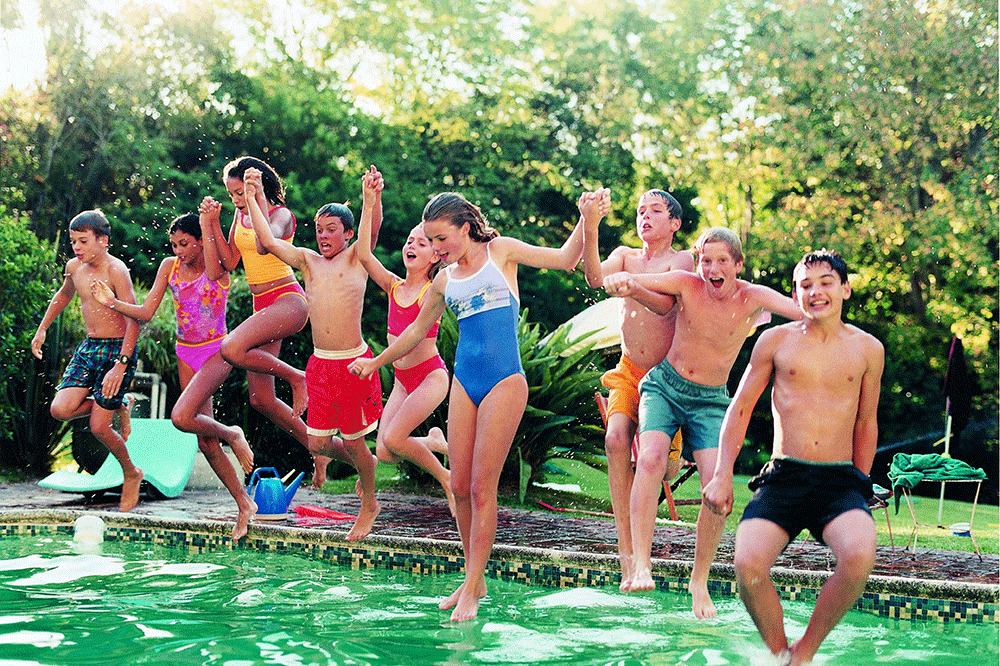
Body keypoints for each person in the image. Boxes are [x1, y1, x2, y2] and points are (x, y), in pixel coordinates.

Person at [349, 188, 603, 622]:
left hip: (505, 381)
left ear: (466, 228)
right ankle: (474, 576)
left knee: (483, 489)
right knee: (461, 488)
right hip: (465, 382)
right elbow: (414, 332)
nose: (436, 248)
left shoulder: (501, 253)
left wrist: (588, 220)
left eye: (442, 238)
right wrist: (376, 362)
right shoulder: (445, 280)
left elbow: (565, 258)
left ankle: (470, 589)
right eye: (430, 240)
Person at [602, 226, 803, 618]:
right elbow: (639, 280)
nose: (711, 268)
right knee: (650, 459)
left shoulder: (751, 297)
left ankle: (699, 580)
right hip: (664, 387)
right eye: (705, 260)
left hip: (710, 403)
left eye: (721, 262)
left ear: (738, 265)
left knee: (717, 493)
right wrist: (622, 279)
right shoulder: (686, 284)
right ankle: (641, 562)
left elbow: (800, 311)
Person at [703, 250, 883, 666]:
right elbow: (741, 407)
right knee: (747, 565)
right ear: (795, 292)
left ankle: (804, 654)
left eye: (825, 282)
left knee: (859, 556)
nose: (815, 292)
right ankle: (778, 652)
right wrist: (721, 474)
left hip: (839, 482)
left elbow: (866, 423)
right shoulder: (775, 341)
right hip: (784, 477)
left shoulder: (868, 349)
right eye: (805, 285)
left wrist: (863, 482)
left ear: (845, 289)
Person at [90, 210, 258, 539]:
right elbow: (147, 312)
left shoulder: (217, 268)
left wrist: (212, 221)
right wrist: (112, 303)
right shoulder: (169, 267)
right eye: (174, 244)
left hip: (216, 351)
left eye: (184, 244)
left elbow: (215, 262)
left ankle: (234, 434)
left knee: (181, 417)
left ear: (200, 242)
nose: (178, 250)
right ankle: (244, 504)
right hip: (185, 351)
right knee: (205, 442)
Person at [242, 164, 384, 542]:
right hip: (321, 364)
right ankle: (366, 468)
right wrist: (256, 198)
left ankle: (369, 502)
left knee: (353, 439)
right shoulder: (307, 261)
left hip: (353, 362)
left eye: (331, 230)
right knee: (317, 443)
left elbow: (371, 230)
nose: (323, 236)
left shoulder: (358, 258)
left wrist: (372, 197)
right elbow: (270, 243)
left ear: (348, 234)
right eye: (319, 230)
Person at [200, 156, 345, 488]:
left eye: (240, 192)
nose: (236, 200)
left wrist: (254, 200)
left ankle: (298, 378)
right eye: (232, 194)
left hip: (287, 300)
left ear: (258, 186)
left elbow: (266, 246)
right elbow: (222, 266)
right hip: (261, 305)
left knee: (231, 347)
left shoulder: (281, 216)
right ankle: (321, 448)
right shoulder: (239, 216)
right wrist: (210, 224)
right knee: (261, 400)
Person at [581, 188, 693, 589]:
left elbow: (666, 304)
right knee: (614, 440)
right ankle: (627, 554)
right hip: (630, 370)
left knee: (660, 465)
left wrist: (632, 286)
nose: (644, 217)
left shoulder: (683, 261)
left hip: (667, 376)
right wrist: (590, 224)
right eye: (640, 211)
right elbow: (595, 276)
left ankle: (669, 457)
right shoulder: (625, 256)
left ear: (674, 223)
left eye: (656, 211)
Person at [355, 170, 454, 515]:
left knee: (395, 440)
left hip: (430, 377)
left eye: (422, 242)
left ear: (436, 256)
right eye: (410, 240)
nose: (412, 245)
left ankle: (445, 478)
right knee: (383, 452)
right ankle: (433, 443)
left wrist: (375, 362)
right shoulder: (394, 286)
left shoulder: (435, 288)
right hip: (402, 380)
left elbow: (412, 340)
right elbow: (364, 253)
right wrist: (370, 201)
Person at [30, 210, 143, 512]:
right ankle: (117, 403)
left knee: (99, 428)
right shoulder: (74, 267)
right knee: (60, 409)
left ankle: (131, 473)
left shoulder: (116, 270)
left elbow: (134, 319)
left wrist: (121, 364)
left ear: (103, 241)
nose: (76, 248)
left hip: (117, 350)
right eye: (73, 242)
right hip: (89, 347)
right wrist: (42, 329)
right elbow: (64, 295)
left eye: (82, 241)